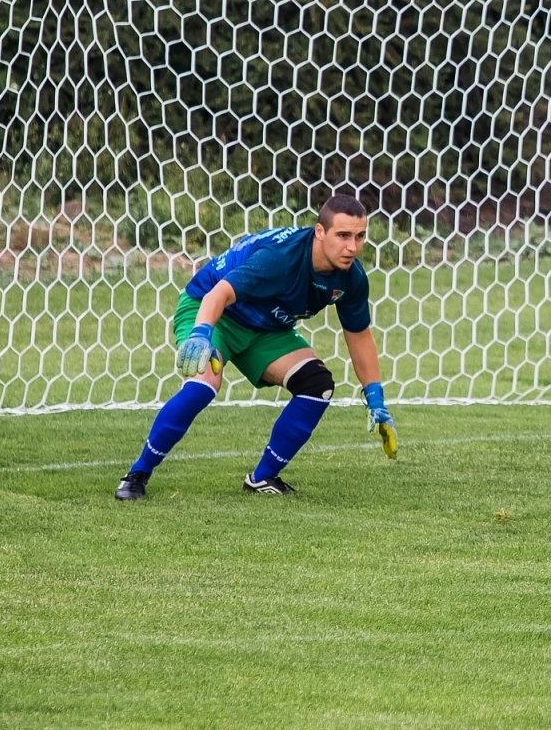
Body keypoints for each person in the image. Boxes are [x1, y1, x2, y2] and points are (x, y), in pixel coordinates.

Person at [114, 194, 397, 500]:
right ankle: (137, 474)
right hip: (212, 312)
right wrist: (200, 335)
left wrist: (375, 397)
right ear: (319, 232)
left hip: (266, 328)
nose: (352, 247)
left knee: (317, 384)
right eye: (343, 236)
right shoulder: (281, 258)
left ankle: (262, 478)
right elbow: (217, 295)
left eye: (359, 236)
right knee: (203, 384)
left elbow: (359, 335)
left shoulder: (352, 279)